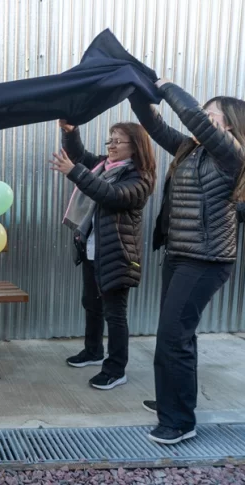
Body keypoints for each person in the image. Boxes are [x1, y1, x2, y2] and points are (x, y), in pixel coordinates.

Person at [129, 80, 245, 444]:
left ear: (229, 124)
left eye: (212, 113)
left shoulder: (231, 155)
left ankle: (179, 420)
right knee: (178, 336)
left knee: (172, 337)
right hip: (180, 254)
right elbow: (156, 126)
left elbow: (191, 117)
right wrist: (137, 89)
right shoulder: (191, 151)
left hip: (207, 260)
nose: (203, 118)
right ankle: (173, 400)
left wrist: (167, 87)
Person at [49, 120, 156, 391]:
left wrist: (75, 173)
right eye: (110, 140)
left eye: (118, 141)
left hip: (118, 254)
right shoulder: (101, 167)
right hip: (92, 249)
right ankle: (93, 351)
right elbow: (79, 158)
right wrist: (70, 132)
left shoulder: (139, 178)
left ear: (136, 147)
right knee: (91, 304)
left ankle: (116, 369)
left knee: (115, 314)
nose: (111, 145)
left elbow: (111, 196)